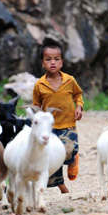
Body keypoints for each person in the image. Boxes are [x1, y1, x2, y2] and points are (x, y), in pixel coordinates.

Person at [32, 37, 84, 194]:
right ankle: (62, 187)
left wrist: (79, 107)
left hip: (68, 122)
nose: (52, 62)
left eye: (56, 59)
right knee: (51, 157)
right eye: (48, 59)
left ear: (62, 62)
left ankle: (73, 159)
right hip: (49, 127)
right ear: (42, 63)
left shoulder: (70, 80)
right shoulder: (39, 85)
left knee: (69, 149)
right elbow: (36, 105)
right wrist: (36, 118)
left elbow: (78, 95)